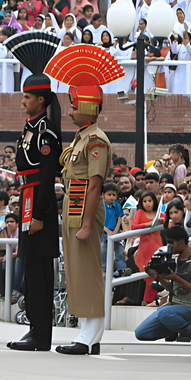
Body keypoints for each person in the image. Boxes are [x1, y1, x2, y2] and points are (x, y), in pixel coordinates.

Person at [49, 46, 122, 355]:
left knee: (88, 271)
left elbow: (94, 184)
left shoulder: (95, 140)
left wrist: (87, 223)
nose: (69, 111)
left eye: (74, 105)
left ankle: (91, 336)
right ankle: (85, 333)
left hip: (84, 211)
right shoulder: (82, 136)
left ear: (88, 107)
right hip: (74, 208)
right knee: (76, 271)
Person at [5, 34, 62, 351]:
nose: (23, 101)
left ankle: (41, 334)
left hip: (38, 206)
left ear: (41, 100)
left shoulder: (45, 132)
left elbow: (44, 174)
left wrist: (39, 215)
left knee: (39, 274)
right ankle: (35, 329)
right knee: (30, 271)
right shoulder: (31, 128)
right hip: (28, 203)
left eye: (28, 97)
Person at [134, 226, 191, 341]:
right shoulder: (174, 259)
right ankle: (175, 328)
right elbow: (170, 288)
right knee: (141, 333)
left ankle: (188, 330)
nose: (169, 246)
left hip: (188, 307)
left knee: (163, 313)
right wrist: (159, 276)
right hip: (170, 306)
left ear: (182, 242)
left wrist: (176, 278)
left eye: (171, 243)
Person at [131, 191, 163, 305]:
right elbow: (133, 227)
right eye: (145, 201)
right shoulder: (139, 213)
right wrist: (149, 224)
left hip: (158, 246)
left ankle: (150, 301)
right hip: (144, 249)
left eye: (150, 201)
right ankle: (148, 300)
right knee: (149, 273)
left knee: (156, 273)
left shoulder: (158, 213)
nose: (147, 204)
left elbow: (166, 219)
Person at [100, 183, 126, 275]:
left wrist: (115, 231)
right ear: (103, 195)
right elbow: (100, 220)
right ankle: (104, 268)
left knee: (119, 249)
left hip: (115, 231)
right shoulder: (101, 206)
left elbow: (119, 218)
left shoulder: (117, 206)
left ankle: (121, 268)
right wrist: (108, 231)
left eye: (114, 195)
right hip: (103, 231)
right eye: (109, 194)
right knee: (103, 249)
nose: (112, 197)